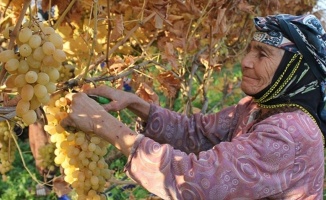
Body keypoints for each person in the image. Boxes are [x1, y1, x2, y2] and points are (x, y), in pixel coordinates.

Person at [61, 14, 326, 199]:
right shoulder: (258, 107)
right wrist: (138, 105)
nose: (245, 61)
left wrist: (103, 125)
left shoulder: (289, 134)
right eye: (249, 50)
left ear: (295, 70)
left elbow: (193, 181)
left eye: (262, 54)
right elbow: (198, 131)